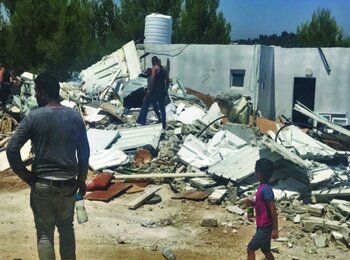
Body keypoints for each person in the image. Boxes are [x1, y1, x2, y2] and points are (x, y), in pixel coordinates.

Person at [6, 73, 90, 260]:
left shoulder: (34, 117)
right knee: (66, 228)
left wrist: (26, 176)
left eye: (36, 91)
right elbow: (84, 153)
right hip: (68, 184)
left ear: (43, 92)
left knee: (45, 234)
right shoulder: (74, 117)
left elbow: (11, 149)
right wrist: (81, 180)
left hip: (43, 185)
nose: (35, 95)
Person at [247, 158, 278, 260]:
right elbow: (261, 205)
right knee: (266, 250)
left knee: (250, 248)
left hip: (265, 227)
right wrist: (252, 204)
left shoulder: (266, 189)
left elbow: (273, 210)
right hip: (262, 225)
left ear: (259, 173)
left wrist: (275, 229)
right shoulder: (262, 187)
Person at [137, 56, 169, 129]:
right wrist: (166, 89)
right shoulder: (163, 69)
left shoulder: (154, 69)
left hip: (154, 92)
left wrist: (148, 91)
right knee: (162, 108)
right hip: (162, 91)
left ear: (153, 62)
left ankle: (141, 121)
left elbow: (152, 80)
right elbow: (167, 80)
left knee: (145, 104)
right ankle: (163, 124)